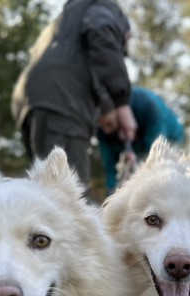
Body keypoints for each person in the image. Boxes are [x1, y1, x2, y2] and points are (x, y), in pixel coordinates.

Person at [11, 0, 136, 189]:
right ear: (126, 34)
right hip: (61, 100)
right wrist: (122, 103)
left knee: (46, 190)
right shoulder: (105, 7)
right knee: (70, 197)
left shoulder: (63, 23)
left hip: (27, 102)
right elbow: (101, 29)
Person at [97, 86, 184, 195]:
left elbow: (157, 155)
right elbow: (110, 165)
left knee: (160, 170)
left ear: (118, 112)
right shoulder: (102, 131)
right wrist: (111, 193)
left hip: (169, 134)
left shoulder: (145, 107)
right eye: (102, 125)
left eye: (109, 124)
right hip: (138, 141)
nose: (106, 131)